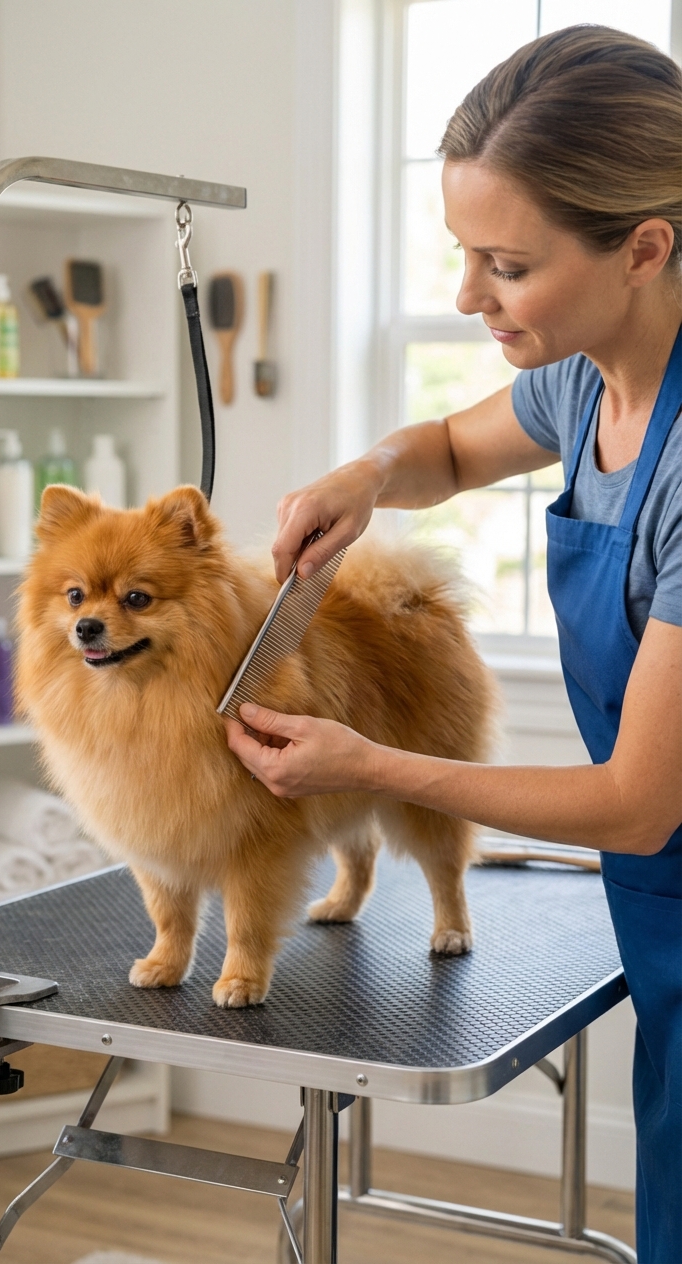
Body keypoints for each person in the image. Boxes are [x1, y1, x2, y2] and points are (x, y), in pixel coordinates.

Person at [224, 25, 681, 1264]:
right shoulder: (586, 380)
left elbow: (636, 803)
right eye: (459, 255)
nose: (466, 298)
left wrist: (362, 763)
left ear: (642, 248)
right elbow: (448, 446)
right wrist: (363, 474)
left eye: (504, 265)